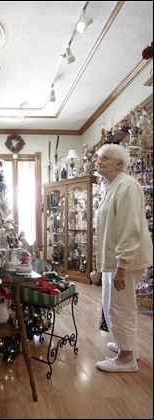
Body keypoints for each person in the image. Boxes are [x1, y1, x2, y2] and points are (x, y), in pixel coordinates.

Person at [93, 143, 153, 372]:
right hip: (116, 260)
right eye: (100, 157)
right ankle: (125, 346)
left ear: (119, 163)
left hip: (124, 262)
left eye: (105, 158)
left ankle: (126, 358)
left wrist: (121, 266)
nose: (99, 160)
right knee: (112, 304)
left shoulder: (126, 186)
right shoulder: (114, 186)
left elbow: (130, 228)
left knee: (120, 306)